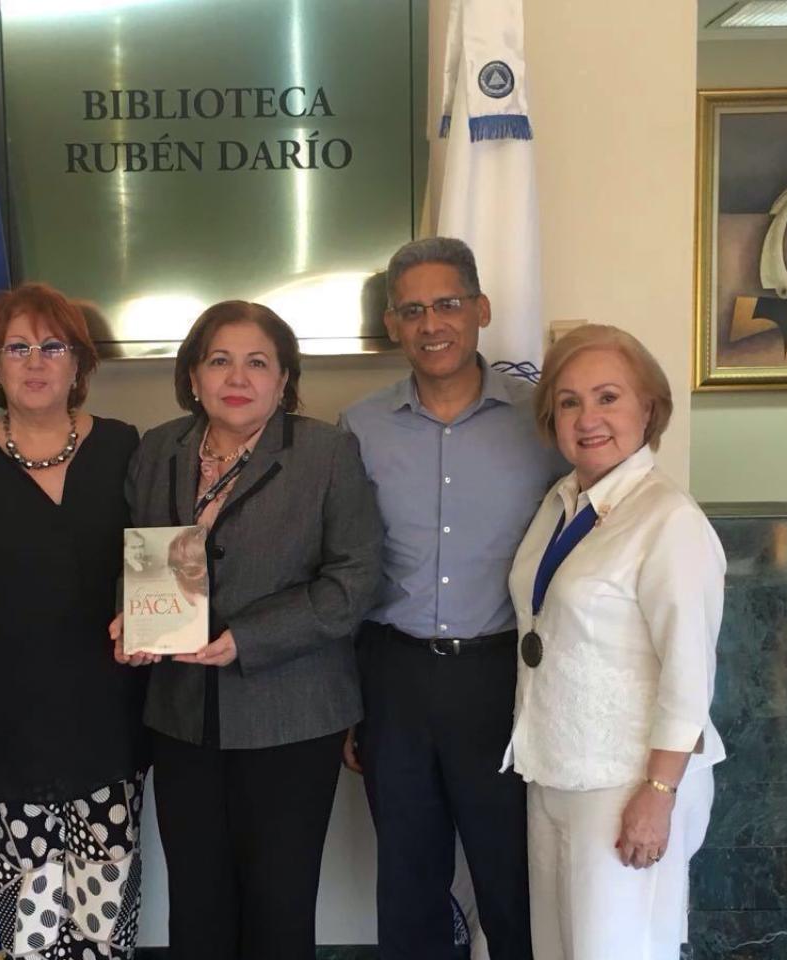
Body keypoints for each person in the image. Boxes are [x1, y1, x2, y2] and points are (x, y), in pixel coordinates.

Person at [113, 301, 381, 960]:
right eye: (220, 360)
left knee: (278, 904)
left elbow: (353, 583)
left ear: (285, 379)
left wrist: (247, 638)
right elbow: (139, 557)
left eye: (258, 362)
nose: (238, 376)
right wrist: (129, 612)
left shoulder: (326, 452)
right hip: (182, 719)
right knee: (198, 903)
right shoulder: (159, 450)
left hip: (291, 718)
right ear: (194, 376)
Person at [338, 237, 563, 960]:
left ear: (481, 310)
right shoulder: (359, 427)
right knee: (408, 878)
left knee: (512, 875)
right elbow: (343, 562)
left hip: (501, 676)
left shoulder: (543, 421)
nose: (431, 323)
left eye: (447, 304)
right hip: (392, 675)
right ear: (394, 326)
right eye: (412, 310)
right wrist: (349, 700)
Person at [0, 282, 146, 960]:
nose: (35, 360)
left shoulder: (123, 447)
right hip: (5, 726)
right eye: (15, 347)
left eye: (53, 346)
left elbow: (155, 565)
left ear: (78, 363)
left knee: (104, 916)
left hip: (107, 716)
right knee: (31, 918)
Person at [504, 324, 725, 960]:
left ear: (649, 408)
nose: (587, 418)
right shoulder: (564, 499)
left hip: (626, 782)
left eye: (608, 397)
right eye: (568, 401)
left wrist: (656, 796)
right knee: (561, 949)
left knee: (618, 949)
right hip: (552, 765)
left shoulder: (669, 519)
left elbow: (689, 675)